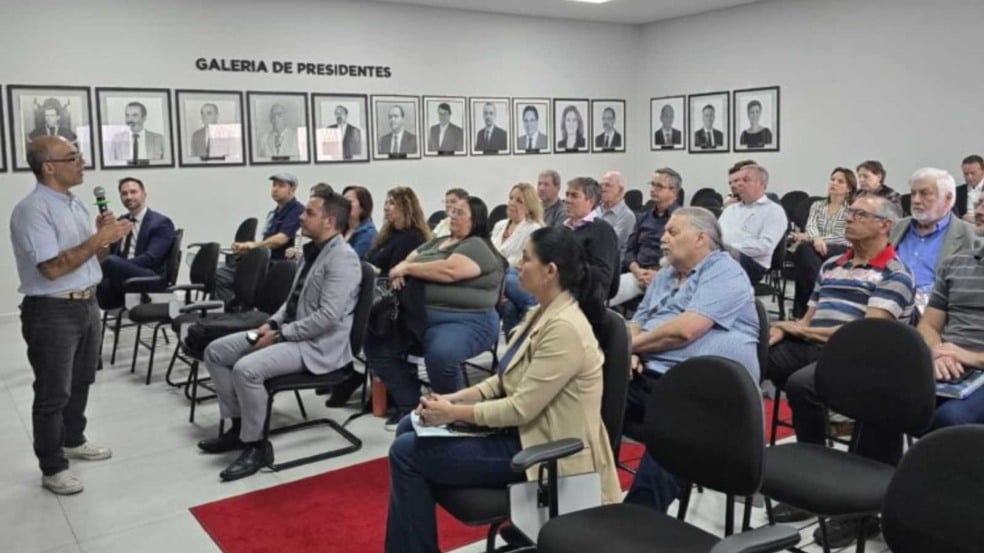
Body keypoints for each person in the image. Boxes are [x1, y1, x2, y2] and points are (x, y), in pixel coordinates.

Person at [385, 226, 621, 553]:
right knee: (409, 426)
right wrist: (453, 399)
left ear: (550, 271)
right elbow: (503, 380)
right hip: (522, 431)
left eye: (525, 259)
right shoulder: (542, 312)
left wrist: (452, 414)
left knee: (405, 453)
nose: (516, 265)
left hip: (541, 447)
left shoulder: (564, 328)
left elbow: (519, 408)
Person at [765, 195, 914, 548]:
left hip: (860, 355)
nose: (848, 219)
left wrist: (797, 330)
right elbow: (808, 317)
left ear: (884, 225)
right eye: (850, 212)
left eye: (860, 214)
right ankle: (801, 480)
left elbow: (866, 334)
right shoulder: (832, 263)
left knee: (803, 386)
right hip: (815, 345)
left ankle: (846, 501)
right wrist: (782, 331)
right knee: (755, 359)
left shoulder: (894, 273)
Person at [199, 190, 361, 482]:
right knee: (215, 352)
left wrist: (281, 335)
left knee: (247, 369)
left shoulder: (343, 260)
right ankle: (240, 428)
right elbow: (292, 302)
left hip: (317, 346)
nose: (301, 216)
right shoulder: (312, 251)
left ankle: (257, 446)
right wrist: (272, 324)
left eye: (310, 213)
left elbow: (327, 317)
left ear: (330, 221)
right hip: (292, 334)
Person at [10, 137, 132, 494]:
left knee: (81, 381)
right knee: (52, 392)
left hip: (86, 303)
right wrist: (98, 239)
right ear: (48, 166)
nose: (82, 163)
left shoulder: (74, 204)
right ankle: (52, 465)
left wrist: (104, 239)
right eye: (73, 157)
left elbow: (93, 260)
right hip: (52, 310)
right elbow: (51, 268)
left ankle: (73, 439)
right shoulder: (32, 210)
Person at [623, 207, 760, 512]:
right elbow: (639, 319)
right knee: (585, 395)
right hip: (653, 378)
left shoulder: (725, 271)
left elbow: (685, 332)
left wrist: (630, 348)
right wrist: (631, 348)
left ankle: (637, 525)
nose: (662, 239)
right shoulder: (666, 274)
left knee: (670, 429)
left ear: (701, 238)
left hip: (706, 391)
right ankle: (568, 497)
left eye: (673, 232)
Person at [366, 197, 504, 428]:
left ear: (476, 219)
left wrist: (407, 269)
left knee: (441, 354)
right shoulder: (437, 242)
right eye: (452, 211)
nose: (453, 216)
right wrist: (401, 269)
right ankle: (410, 403)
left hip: (466, 321)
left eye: (460, 213)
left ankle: (454, 413)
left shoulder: (476, 245)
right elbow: (406, 259)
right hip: (417, 315)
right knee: (375, 344)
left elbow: (448, 271)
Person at [918, 218, 984, 431]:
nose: (979, 211)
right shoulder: (954, 264)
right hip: (946, 363)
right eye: (980, 202)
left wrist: (969, 356)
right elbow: (928, 325)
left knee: (950, 419)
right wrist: (939, 352)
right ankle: (878, 465)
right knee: (881, 396)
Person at [890, 168, 976, 311]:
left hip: (937, 311)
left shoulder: (969, 236)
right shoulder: (897, 228)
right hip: (888, 301)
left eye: (924, 193)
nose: (916, 200)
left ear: (948, 198)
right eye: (913, 193)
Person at [213, 174, 305, 305]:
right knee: (219, 273)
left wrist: (254, 246)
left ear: (292, 189)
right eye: (274, 185)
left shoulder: (297, 210)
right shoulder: (275, 213)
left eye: (281, 186)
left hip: (276, 266)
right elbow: (266, 242)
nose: (275, 189)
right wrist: (247, 249)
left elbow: (281, 239)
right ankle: (236, 307)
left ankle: (237, 309)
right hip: (265, 262)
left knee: (220, 275)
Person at [96, 177, 177, 310]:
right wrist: (102, 234)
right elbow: (107, 254)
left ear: (144, 194)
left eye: (133, 192)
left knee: (110, 263)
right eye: (124, 193)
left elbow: (151, 259)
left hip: (150, 279)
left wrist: (118, 266)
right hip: (122, 279)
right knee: (97, 271)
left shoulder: (161, 223)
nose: (129, 197)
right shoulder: (121, 222)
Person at [789, 167, 856, 318]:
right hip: (814, 248)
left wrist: (818, 239)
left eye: (840, 181)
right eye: (832, 179)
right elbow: (811, 226)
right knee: (804, 252)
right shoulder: (817, 205)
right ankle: (822, 299)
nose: (834, 183)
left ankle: (803, 313)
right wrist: (816, 239)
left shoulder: (852, 209)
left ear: (849, 188)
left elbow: (844, 235)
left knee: (804, 252)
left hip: (841, 249)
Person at [610, 168, 681, 307]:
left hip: (669, 277)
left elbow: (684, 257)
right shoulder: (642, 217)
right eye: (652, 184)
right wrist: (637, 271)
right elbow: (629, 251)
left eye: (659, 186)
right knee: (602, 296)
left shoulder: (683, 219)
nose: (653, 189)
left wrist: (659, 276)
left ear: (673, 191)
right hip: (638, 275)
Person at [717, 164, 788, 284]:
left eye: (746, 180)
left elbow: (764, 246)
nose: (739, 184)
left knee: (718, 262)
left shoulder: (773, 210)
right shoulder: (730, 209)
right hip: (723, 257)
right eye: (738, 180)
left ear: (762, 184)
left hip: (752, 264)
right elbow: (716, 235)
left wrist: (729, 250)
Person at [494, 183, 544, 337]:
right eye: (511, 198)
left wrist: (502, 287)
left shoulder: (533, 229)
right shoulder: (500, 225)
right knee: (509, 307)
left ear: (529, 207)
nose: (512, 203)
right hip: (495, 281)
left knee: (508, 278)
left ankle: (532, 308)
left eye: (519, 201)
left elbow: (527, 265)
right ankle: (533, 312)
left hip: (518, 280)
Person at [564, 177, 620, 300]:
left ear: (590, 201)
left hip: (583, 296)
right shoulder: (562, 229)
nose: (567, 200)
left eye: (574, 196)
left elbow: (603, 277)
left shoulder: (602, 231)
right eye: (567, 195)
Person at [366, 187, 431, 275]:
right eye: (386, 203)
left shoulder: (412, 238)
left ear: (406, 208)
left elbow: (394, 269)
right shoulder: (388, 233)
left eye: (392, 203)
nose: (386, 208)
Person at [595, 171, 636, 257]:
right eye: (601, 185)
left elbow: (609, 245)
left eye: (607, 185)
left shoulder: (626, 216)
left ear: (620, 190)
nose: (602, 189)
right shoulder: (595, 209)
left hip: (610, 263)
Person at [341, 186, 377, 259]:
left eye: (348, 201)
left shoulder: (368, 234)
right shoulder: (340, 228)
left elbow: (350, 260)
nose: (343, 205)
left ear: (362, 208)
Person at [955, 154, 984, 220]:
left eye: (973, 173)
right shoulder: (957, 191)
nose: (969, 177)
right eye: (966, 174)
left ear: (983, 171)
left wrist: (976, 219)